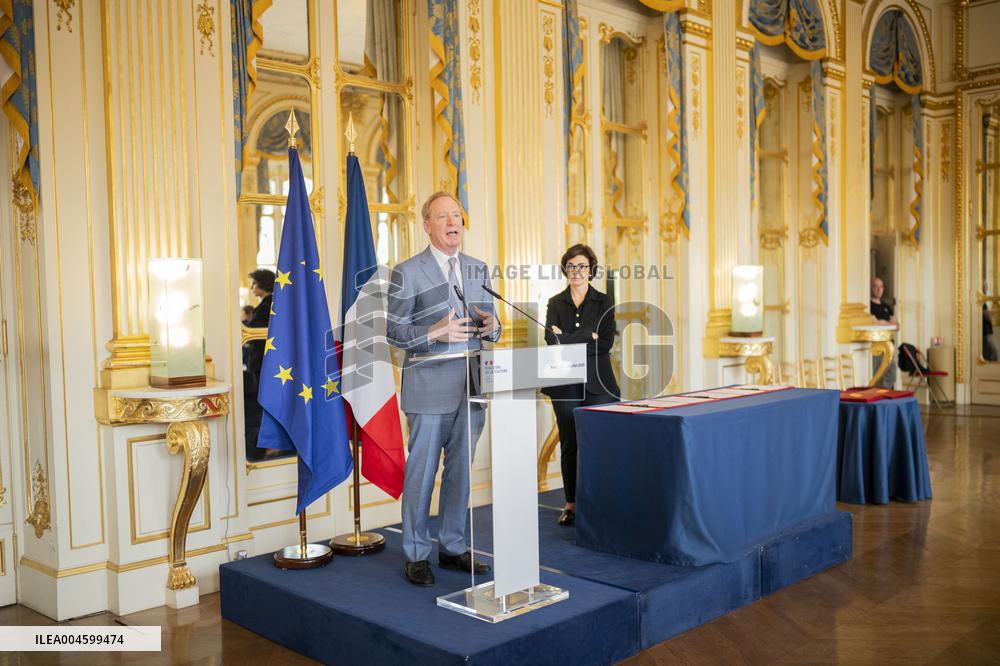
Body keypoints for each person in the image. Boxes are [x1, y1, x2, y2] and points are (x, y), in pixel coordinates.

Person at [386, 191, 502, 587]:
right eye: (443, 216)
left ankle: (452, 545)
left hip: (471, 385)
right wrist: (433, 331)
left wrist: (492, 326)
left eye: (457, 215)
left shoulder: (477, 268)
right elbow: (394, 331)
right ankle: (416, 552)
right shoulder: (408, 270)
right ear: (427, 225)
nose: (453, 222)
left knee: (460, 474)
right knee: (421, 473)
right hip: (428, 384)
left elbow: (494, 320)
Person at [543, 244, 620, 527]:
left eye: (582, 266)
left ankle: (603, 500)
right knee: (570, 444)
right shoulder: (555, 302)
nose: (576, 271)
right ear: (565, 269)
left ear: (591, 270)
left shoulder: (605, 302)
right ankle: (571, 503)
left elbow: (607, 343)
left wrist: (569, 339)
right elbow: (551, 341)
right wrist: (588, 335)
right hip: (564, 384)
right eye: (571, 266)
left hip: (599, 383)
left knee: (601, 441)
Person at [244, 269, 275, 462]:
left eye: (254, 283)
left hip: (263, 362)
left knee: (261, 405)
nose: (251, 287)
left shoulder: (267, 305)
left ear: (263, 284)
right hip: (262, 362)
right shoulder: (267, 304)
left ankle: (267, 446)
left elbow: (256, 333)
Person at [870, 276, 898, 389]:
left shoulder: (887, 306)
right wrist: (888, 323)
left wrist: (881, 322)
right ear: (871, 288)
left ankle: (883, 393)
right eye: (875, 286)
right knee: (876, 374)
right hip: (876, 346)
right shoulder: (868, 306)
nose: (878, 289)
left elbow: (896, 326)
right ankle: (878, 396)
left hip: (889, 346)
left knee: (892, 374)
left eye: (881, 286)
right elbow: (873, 323)